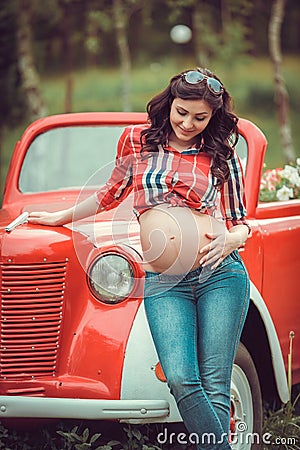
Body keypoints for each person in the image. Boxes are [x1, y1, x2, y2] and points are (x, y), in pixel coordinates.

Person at [28, 67, 251, 449]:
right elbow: (109, 194)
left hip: (219, 274)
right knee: (181, 378)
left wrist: (230, 240)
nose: (188, 123)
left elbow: (242, 223)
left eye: (200, 118)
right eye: (182, 112)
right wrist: (60, 216)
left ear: (213, 117)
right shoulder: (138, 140)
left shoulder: (221, 153)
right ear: (170, 104)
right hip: (164, 281)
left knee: (216, 383)